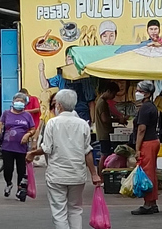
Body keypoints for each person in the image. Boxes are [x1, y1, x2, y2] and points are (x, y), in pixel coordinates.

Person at [26, 89, 101, 229]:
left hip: (57, 175)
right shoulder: (83, 124)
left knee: (59, 212)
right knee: (76, 209)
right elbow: (87, 151)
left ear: (59, 105)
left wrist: (32, 153)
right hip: (78, 174)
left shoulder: (52, 123)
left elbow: (47, 149)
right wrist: (94, 174)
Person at [0, 92, 37, 200]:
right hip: (7, 146)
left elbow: (33, 129)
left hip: (22, 148)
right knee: (8, 169)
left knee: (21, 170)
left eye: (22, 101)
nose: (19, 103)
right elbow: (0, 125)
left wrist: (28, 134)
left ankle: (20, 190)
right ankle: (9, 183)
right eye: (17, 100)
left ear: (25, 103)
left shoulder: (27, 115)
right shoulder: (6, 114)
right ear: (13, 102)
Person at [132, 81, 160, 215]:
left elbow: (141, 129)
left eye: (140, 91)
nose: (137, 93)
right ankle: (152, 202)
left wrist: (137, 149)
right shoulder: (150, 106)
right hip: (153, 141)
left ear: (147, 93)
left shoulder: (145, 108)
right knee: (151, 173)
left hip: (147, 142)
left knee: (147, 174)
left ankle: (148, 203)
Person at [94, 82, 127, 173]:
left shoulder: (102, 102)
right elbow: (105, 119)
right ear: (108, 91)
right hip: (104, 133)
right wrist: (118, 120)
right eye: (113, 94)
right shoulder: (102, 103)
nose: (114, 96)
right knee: (104, 155)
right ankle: (101, 176)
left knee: (105, 154)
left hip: (103, 132)